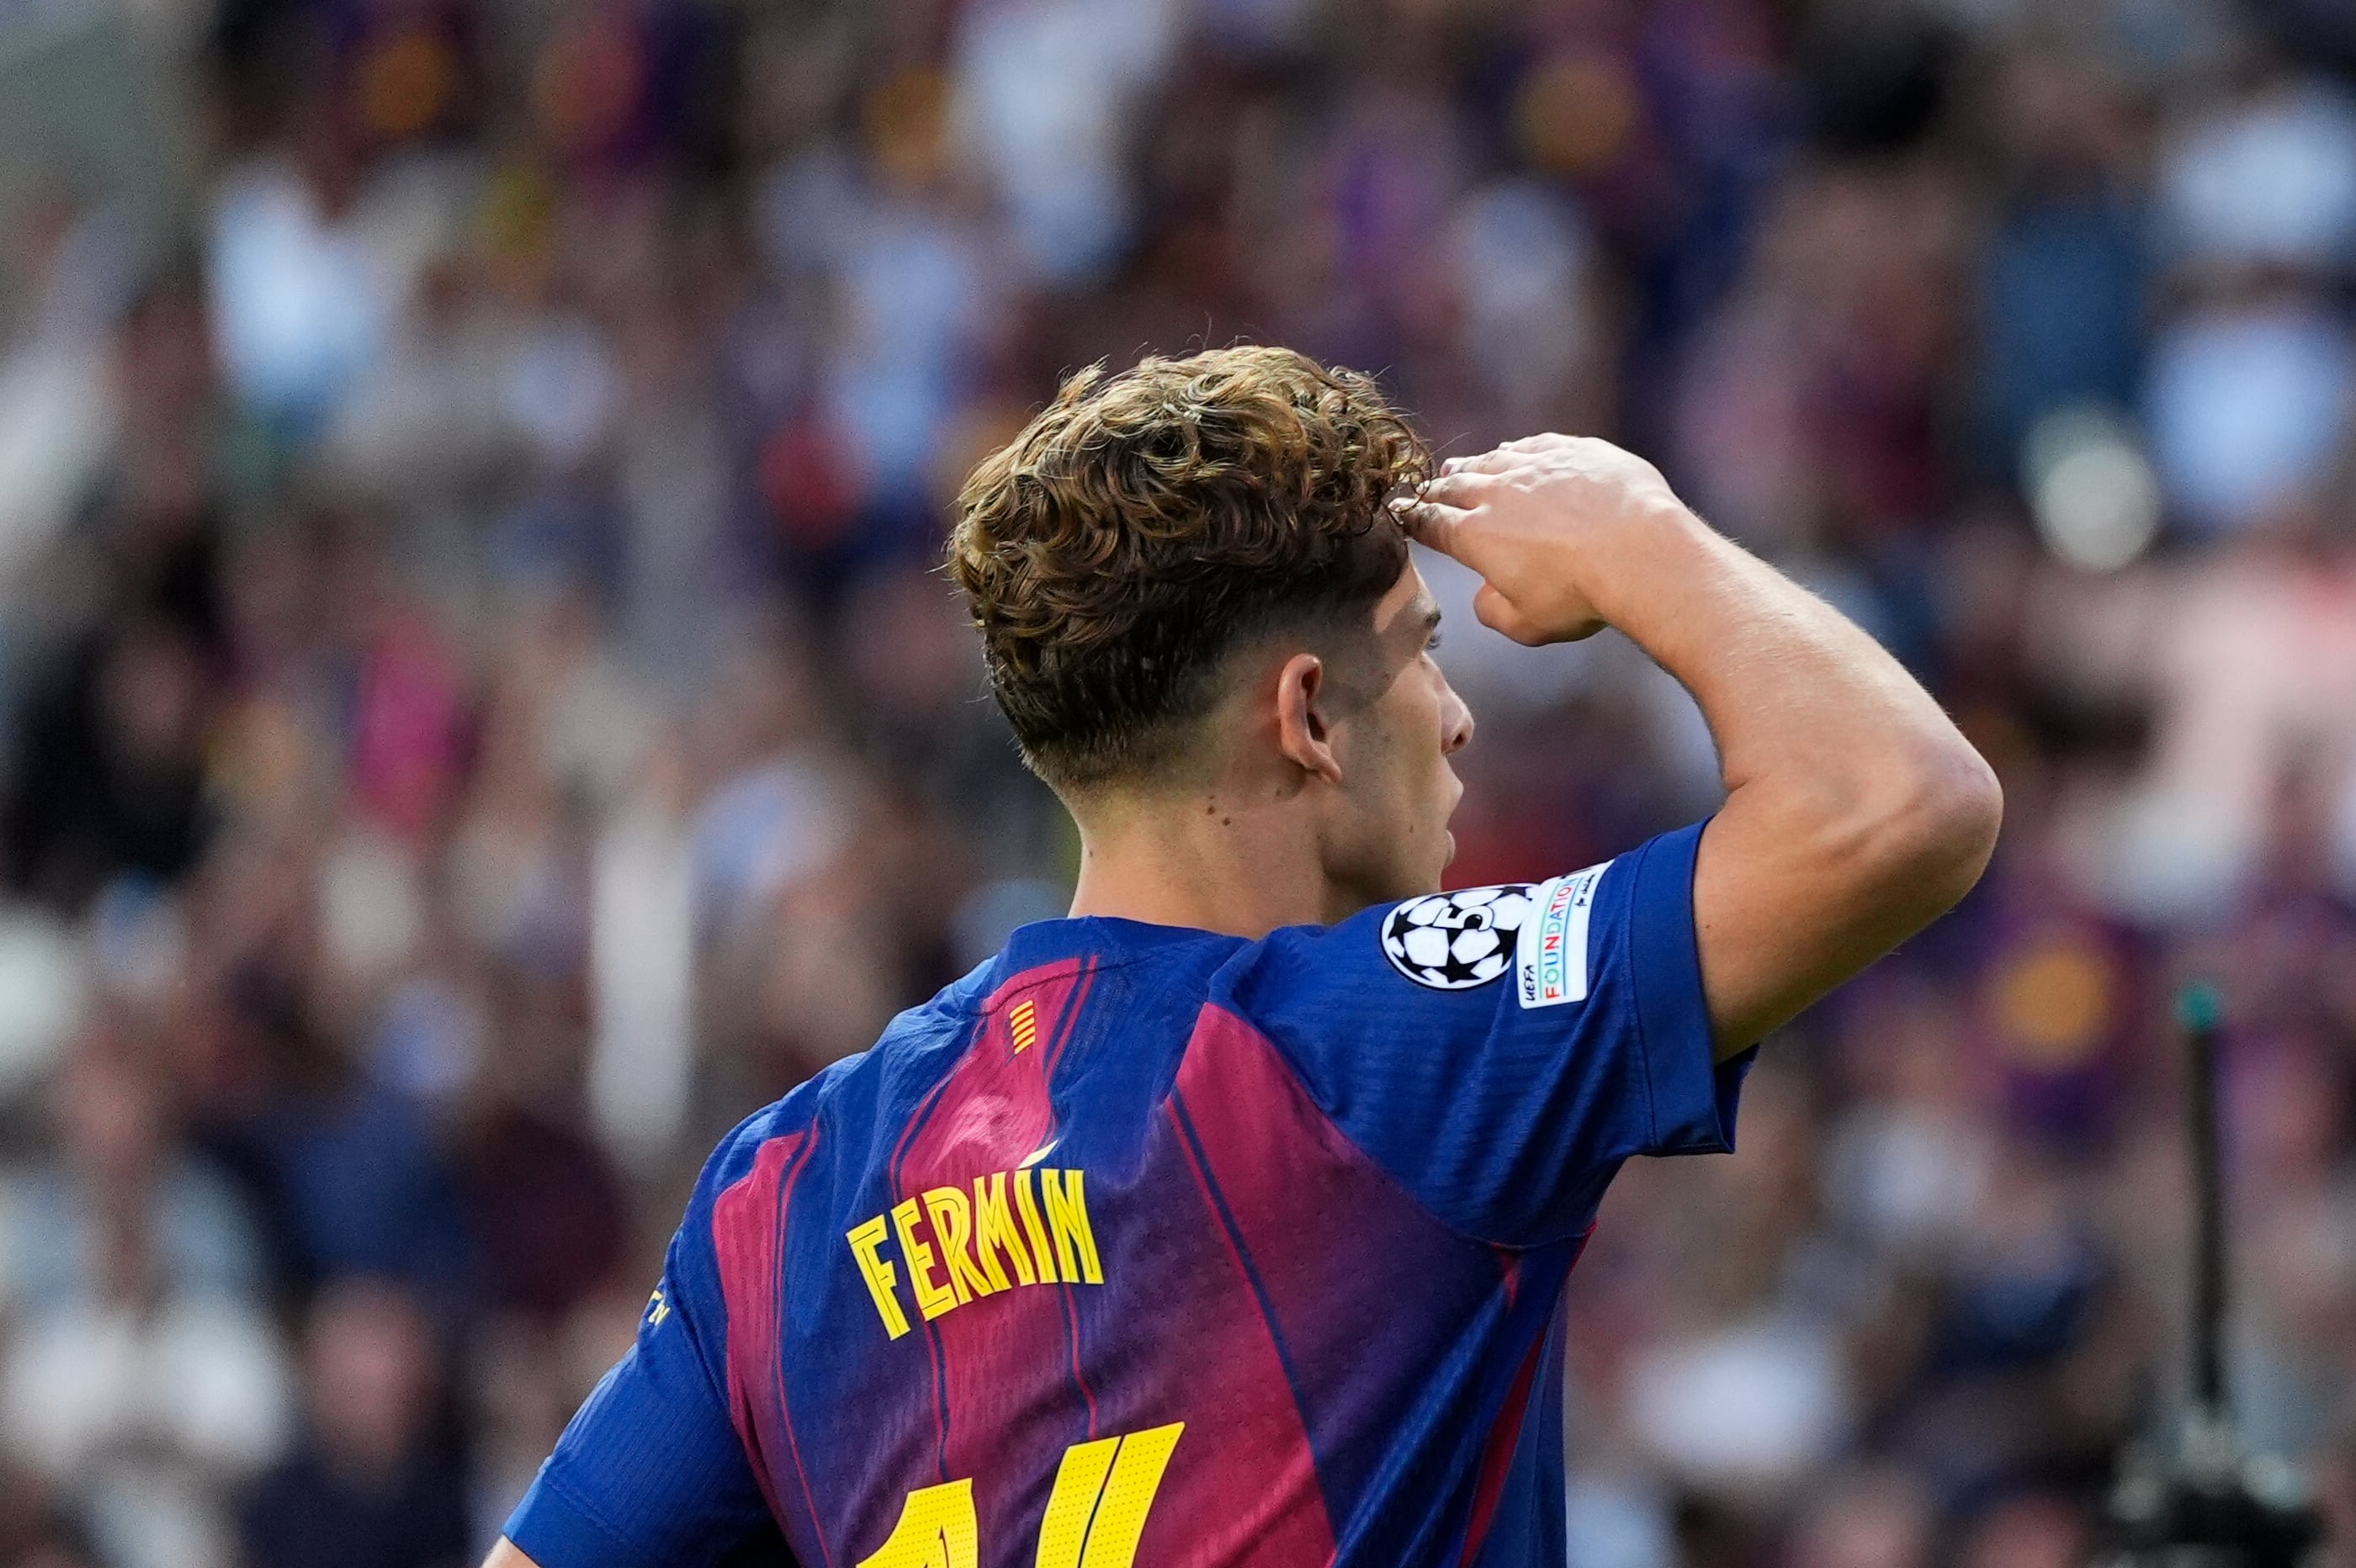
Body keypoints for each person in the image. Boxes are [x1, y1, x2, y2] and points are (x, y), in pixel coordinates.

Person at [484, 347, 2001, 1568]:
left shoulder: (781, 1188)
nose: (1457, 717)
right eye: (1425, 653)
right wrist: (1637, 531)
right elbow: (1900, 803)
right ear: (1310, 716)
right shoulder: (1389, 1044)